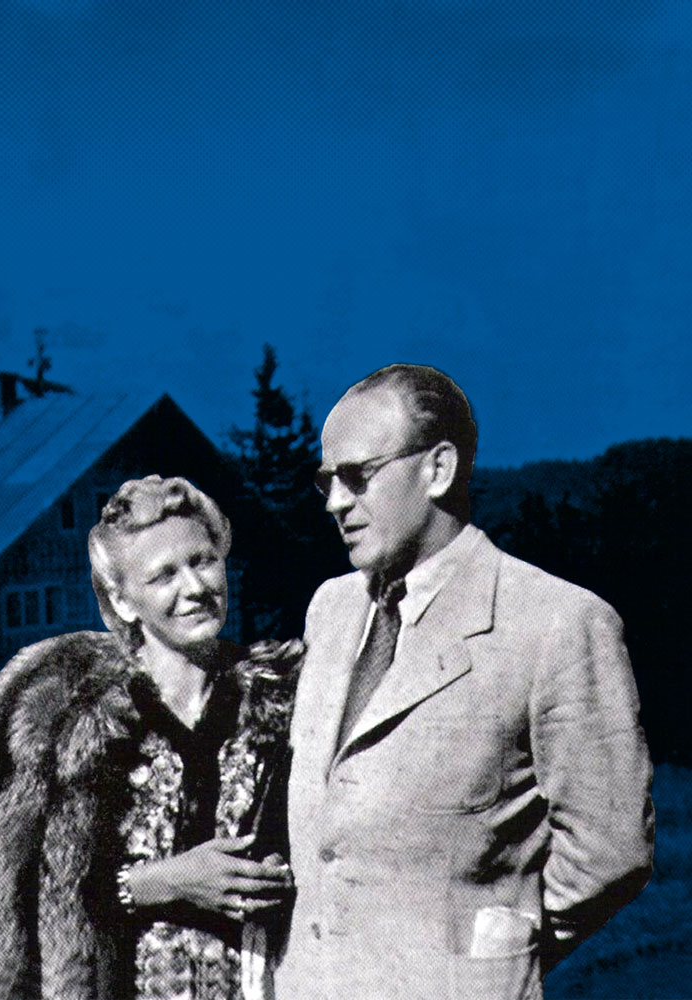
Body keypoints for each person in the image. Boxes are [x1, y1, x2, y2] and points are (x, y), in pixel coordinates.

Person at [274, 364, 654, 1000]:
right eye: (326, 481)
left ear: (439, 469)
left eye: (358, 476)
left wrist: (499, 949)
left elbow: (609, 851)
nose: (336, 502)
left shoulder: (556, 622)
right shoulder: (330, 609)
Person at [0, 475, 300, 1000]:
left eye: (203, 561)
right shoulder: (67, 720)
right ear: (123, 601)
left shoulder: (283, 702)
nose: (194, 588)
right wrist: (166, 881)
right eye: (163, 575)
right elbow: (20, 901)